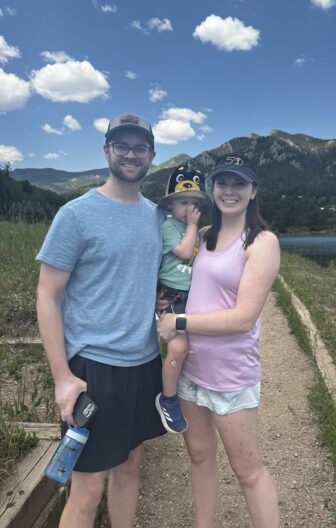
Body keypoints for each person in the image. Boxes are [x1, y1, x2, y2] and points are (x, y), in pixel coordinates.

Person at [36, 113, 166, 528]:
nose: (131, 154)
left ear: (151, 155)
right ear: (107, 150)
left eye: (140, 147)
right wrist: (62, 377)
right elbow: (47, 295)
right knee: (88, 491)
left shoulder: (157, 218)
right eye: (122, 145)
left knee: (129, 469)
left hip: (144, 365)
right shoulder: (75, 215)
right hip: (93, 370)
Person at [157, 153, 281, 528]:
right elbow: (177, 274)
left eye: (239, 183)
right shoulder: (204, 237)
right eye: (223, 182)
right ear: (212, 189)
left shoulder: (261, 242)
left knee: (248, 471)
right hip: (191, 372)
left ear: (253, 191)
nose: (230, 190)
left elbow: (243, 318)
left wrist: (179, 321)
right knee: (199, 457)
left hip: (230, 376)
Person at [155, 166, 211, 434]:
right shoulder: (169, 227)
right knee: (178, 349)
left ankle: (189, 387)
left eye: (195, 204)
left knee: (192, 346)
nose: (190, 208)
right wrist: (192, 225)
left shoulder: (194, 230)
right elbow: (186, 252)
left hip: (191, 296)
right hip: (171, 295)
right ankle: (167, 399)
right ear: (170, 205)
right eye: (183, 202)